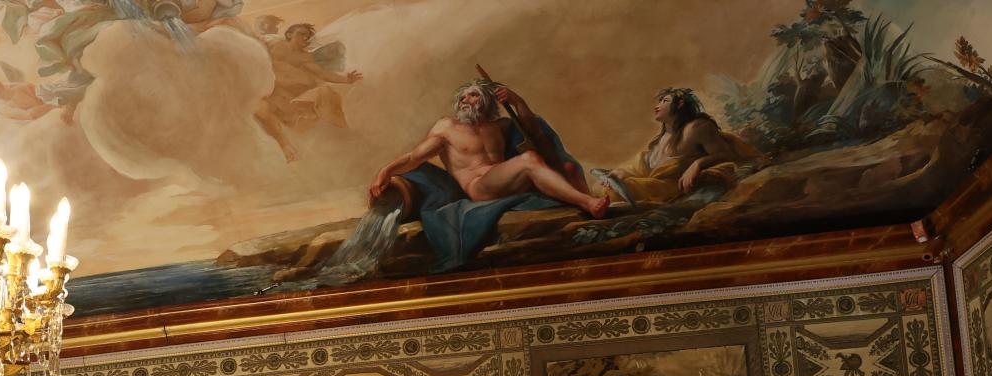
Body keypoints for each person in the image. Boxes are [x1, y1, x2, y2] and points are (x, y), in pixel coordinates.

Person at [370, 80, 606, 216]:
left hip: (507, 182)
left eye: (472, 95)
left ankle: (586, 202)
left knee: (568, 169)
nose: (465, 100)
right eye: (462, 97)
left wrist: (516, 100)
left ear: (485, 100)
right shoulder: (447, 128)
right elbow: (414, 157)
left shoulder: (499, 127)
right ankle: (587, 203)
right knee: (530, 159)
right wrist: (386, 170)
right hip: (479, 187)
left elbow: (533, 128)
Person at [595, 88, 757, 205]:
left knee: (611, 193)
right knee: (601, 186)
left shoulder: (696, 128)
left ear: (680, 104)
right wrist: (622, 172)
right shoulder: (661, 138)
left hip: (671, 188)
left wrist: (697, 165)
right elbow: (643, 166)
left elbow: (726, 154)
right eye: (659, 101)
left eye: (665, 101)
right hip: (652, 184)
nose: (657, 106)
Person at [256, 23, 363, 162]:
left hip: (283, 94)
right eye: (301, 34)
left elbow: (322, 73)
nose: (305, 38)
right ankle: (285, 147)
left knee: (324, 93)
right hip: (266, 86)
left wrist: (345, 80)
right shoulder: (275, 44)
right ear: (289, 35)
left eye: (307, 36)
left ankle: (337, 137)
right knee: (262, 110)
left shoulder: (304, 56)